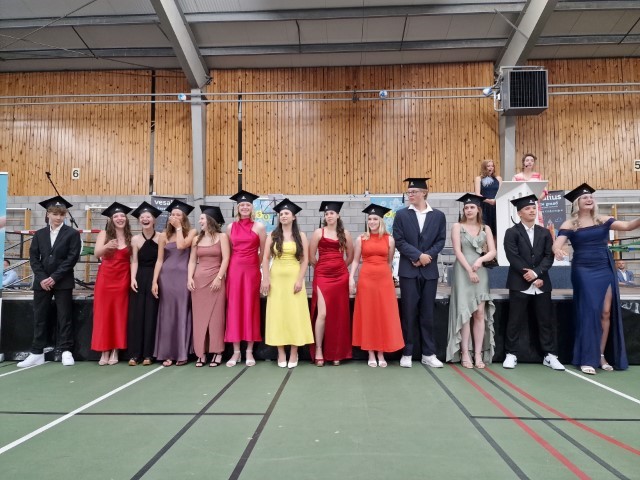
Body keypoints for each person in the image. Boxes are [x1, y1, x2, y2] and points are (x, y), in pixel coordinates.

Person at [553, 183, 638, 374]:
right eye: (585, 197)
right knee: (589, 312)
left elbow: (628, 226)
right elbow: (557, 244)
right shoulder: (570, 224)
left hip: (604, 268)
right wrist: (557, 250)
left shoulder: (603, 220)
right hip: (583, 269)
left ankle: (600, 355)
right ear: (577, 203)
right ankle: (586, 357)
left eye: (591, 197)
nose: (589, 199)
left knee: (605, 312)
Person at [502, 194, 564, 371]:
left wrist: (537, 274)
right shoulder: (512, 232)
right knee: (515, 321)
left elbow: (548, 256)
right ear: (519, 213)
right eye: (527, 208)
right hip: (519, 283)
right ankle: (511, 353)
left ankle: (549, 355)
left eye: (533, 208)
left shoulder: (544, 232)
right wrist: (530, 275)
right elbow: (513, 257)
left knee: (545, 321)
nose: (531, 211)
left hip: (542, 283)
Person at [17, 196, 81, 368]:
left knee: (64, 317)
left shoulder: (72, 233)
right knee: (40, 317)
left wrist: (54, 277)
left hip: (63, 281)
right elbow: (34, 258)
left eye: (61, 214)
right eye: (55, 214)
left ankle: (66, 350)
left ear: (65, 215)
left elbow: (71, 258)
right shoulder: (39, 234)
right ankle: (37, 352)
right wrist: (42, 278)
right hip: (42, 282)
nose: (58, 217)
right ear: (48, 214)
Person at [393, 177, 446, 368]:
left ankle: (428, 353)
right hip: (408, 271)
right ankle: (407, 352)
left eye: (414, 192)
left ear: (424, 193)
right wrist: (417, 256)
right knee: (408, 312)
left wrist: (427, 256)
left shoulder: (438, 216)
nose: (410, 195)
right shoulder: (401, 215)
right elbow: (399, 240)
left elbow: (440, 241)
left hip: (429, 271)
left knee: (427, 313)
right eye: (409, 192)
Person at [261, 199, 313, 368]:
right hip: (276, 280)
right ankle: (281, 352)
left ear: (294, 217)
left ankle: (294, 353)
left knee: (294, 315)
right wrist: (266, 278)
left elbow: (305, 260)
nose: (283, 216)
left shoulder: (301, 236)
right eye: (281, 214)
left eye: (286, 213)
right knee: (278, 315)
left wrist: (300, 280)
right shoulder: (273, 235)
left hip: (294, 279)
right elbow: (265, 258)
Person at [350, 204, 404, 367]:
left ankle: (381, 351)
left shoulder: (389, 239)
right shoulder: (361, 239)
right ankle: (370, 352)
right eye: (370, 219)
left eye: (375, 219)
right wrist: (351, 278)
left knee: (383, 314)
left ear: (381, 221)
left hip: (384, 280)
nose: (372, 222)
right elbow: (355, 260)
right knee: (368, 314)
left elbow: (389, 262)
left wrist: (389, 278)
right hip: (366, 280)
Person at [446, 194, 496, 368]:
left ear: (478, 210)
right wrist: (469, 270)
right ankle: (465, 352)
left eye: (472, 207)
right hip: (463, 271)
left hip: (480, 271)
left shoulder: (486, 228)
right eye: (466, 208)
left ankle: (478, 354)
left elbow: (492, 251)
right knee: (465, 313)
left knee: (479, 313)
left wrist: (480, 261)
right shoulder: (457, 227)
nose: (468, 210)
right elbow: (457, 251)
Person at [152, 199, 197, 367]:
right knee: (167, 314)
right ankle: (167, 352)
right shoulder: (163, 235)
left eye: (178, 215)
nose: (175, 217)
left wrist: (178, 229)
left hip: (183, 276)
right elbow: (159, 260)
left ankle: (182, 352)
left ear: (184, 218)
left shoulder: (192, 232)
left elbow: (181, 246)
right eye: (173, 214)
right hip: (166, 277)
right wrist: (154, 281)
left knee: (182, 311)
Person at [224, 190, 266, 367]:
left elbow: (264, 252)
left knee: (250, 308)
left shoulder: (259, 227)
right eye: (241, 205)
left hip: (251, 271)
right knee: (234, 309)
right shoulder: (230, 227)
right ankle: (236, 352)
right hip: (234, 271)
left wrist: (258, 268)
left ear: (252, 207)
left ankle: (249, 351)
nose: (244, 207)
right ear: (237, 208)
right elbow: (228, 251)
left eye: (247, 204)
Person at [309, 201, 354, 366]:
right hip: (322, 276)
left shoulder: (345, 234)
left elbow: (350, 256)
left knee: (339, 315)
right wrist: (322, 267)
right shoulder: (318, 232)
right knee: (322, 314)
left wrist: (341, 267)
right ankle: (319, 349)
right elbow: (311, 257)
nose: (329, 216)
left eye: (332, 213)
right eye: (327, 214)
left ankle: (337, 352)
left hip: (340, 277)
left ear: (338, 215)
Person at [91, 203, 133, 366]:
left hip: (123, 278)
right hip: (106, 278)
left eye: (122, 216)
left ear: (126, 219)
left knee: (119, 314)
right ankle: (104, 350)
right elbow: (96, 253)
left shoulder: (130, 237)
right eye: (116, 216)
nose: (120, 218)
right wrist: (107, 246)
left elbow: (133, 260)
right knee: (103, 314)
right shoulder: (104, 234)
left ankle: (116, 349)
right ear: (111, 220)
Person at [188, 205, 230, 367]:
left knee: (216, 318)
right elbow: (192, 261)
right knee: (199, 318)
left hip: (216, 280)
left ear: (210, 221)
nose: (200, 221)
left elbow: (226, 258)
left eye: (202, 219)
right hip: (198, 281)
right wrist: (189, 278)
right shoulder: (196, 239)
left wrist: (219, 277)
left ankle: (217, 352)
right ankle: (201, 353)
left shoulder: (222, 237)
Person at [128, 201, 162, 366]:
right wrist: (133, 278)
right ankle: (135, 354)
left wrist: (155, 281)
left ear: (154, 220)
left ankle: (149, 354)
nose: (145, 219)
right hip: (140, 277)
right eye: (142, 217)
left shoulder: (161, 237)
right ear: (139, 220)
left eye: (148, 217)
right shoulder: (135, 239)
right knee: (137, 315)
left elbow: (160, 260)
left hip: (155, 278)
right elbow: (134, 261)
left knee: (151, 315)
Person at [512, 153, 547, 226]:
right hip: (521, 205)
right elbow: (513, 191)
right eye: (527, 160)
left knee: (537, 226)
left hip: (534, 204)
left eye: (532, 160)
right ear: (523, 162)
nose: (529, 162)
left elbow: (544, 191)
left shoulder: (538, 176)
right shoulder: (516, 177)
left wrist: (537, 198)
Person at [474, 160, 502, 235]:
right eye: (488, 166)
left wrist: (495, 201)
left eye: (492, 166)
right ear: (484, 167)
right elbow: (477, 194)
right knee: (484, 230)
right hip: (484, 205)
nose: (491, 168)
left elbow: (501, 192)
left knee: (496, 230)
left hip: (496, 205)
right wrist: (489, 201)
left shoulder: (498, 178)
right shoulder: (479, 178)